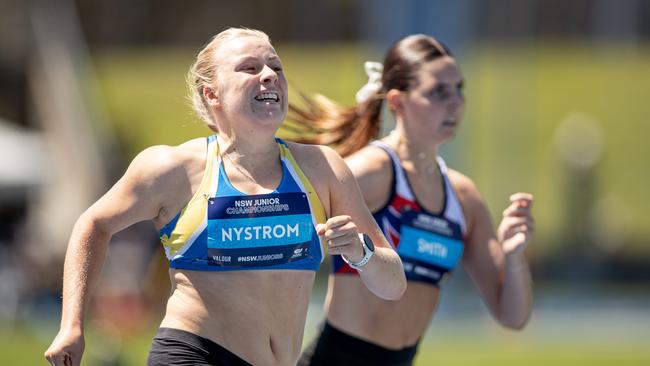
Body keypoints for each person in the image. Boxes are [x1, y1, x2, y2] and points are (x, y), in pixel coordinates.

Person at [43, 27, 406, 366]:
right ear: (211, 93)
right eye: (249, 67)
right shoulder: (173, 168)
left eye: (275, 66)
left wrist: (361, 252)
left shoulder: (321, 167)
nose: (269, 75)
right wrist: (71, 325)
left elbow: (392, 284)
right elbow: (93, 224)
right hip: (193, 354)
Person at [290, 34, 535, 366]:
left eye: (459, 89)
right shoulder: (371, 172)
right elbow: (285, 235)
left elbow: (512, 316)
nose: (455, 104)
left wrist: (514, 255)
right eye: (438, 92)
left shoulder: (463, 197)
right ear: (397, 102)